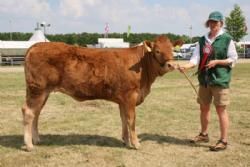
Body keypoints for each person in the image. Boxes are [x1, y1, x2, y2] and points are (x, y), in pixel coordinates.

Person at [178, 11, 238, 151]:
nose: (213, 25)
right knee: (204, 108)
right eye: (211, 22)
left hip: (220, 80)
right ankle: (204, 134)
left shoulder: (227, 39)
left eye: (215, 22)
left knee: (220, 110)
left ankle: (223, 140)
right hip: (204, 80)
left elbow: (233, 59)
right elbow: (194, 59)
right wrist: (185, 67)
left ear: (221, 23)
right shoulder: (202, 40)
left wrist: (217, 61)